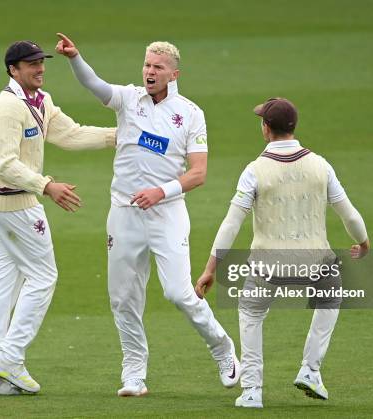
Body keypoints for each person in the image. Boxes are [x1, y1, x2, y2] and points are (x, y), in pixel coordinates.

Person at [55, 33, 240, 396]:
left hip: (166, 214)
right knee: (123, 298)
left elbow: (198, 173)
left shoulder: (189, 114)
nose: (149, 72)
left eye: (158, 67)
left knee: (177, 293)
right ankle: (134, 373)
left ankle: (223, 349)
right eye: (146, 65)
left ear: (174, 75)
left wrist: (160, 192)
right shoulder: (128, 99)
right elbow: (94, 85)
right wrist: (75, 57)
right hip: (123, 213)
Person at [195, 98, 370, 408]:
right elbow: (350, 215)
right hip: (316, 263)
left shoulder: (254, 170)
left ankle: (251, 391)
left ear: (266, 129)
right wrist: (363, 241)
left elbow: (231, 223)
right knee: (331, 296)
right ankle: (311, 370)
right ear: (293, 127)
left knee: (250, 313)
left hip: (267, 265)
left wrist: (211, 268)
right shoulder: (320, 164)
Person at [0, 40, 116, 395]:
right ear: (12, 70)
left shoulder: (41, 101)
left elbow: (72, 134)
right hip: (10, 201)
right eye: (31, 64)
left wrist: (119, 136)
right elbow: (5, 163)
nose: (40, 68)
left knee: (6, 274)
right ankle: (10, 358)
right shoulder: (7, 108)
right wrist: (47, 186)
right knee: (43, 277)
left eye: (41, 62)